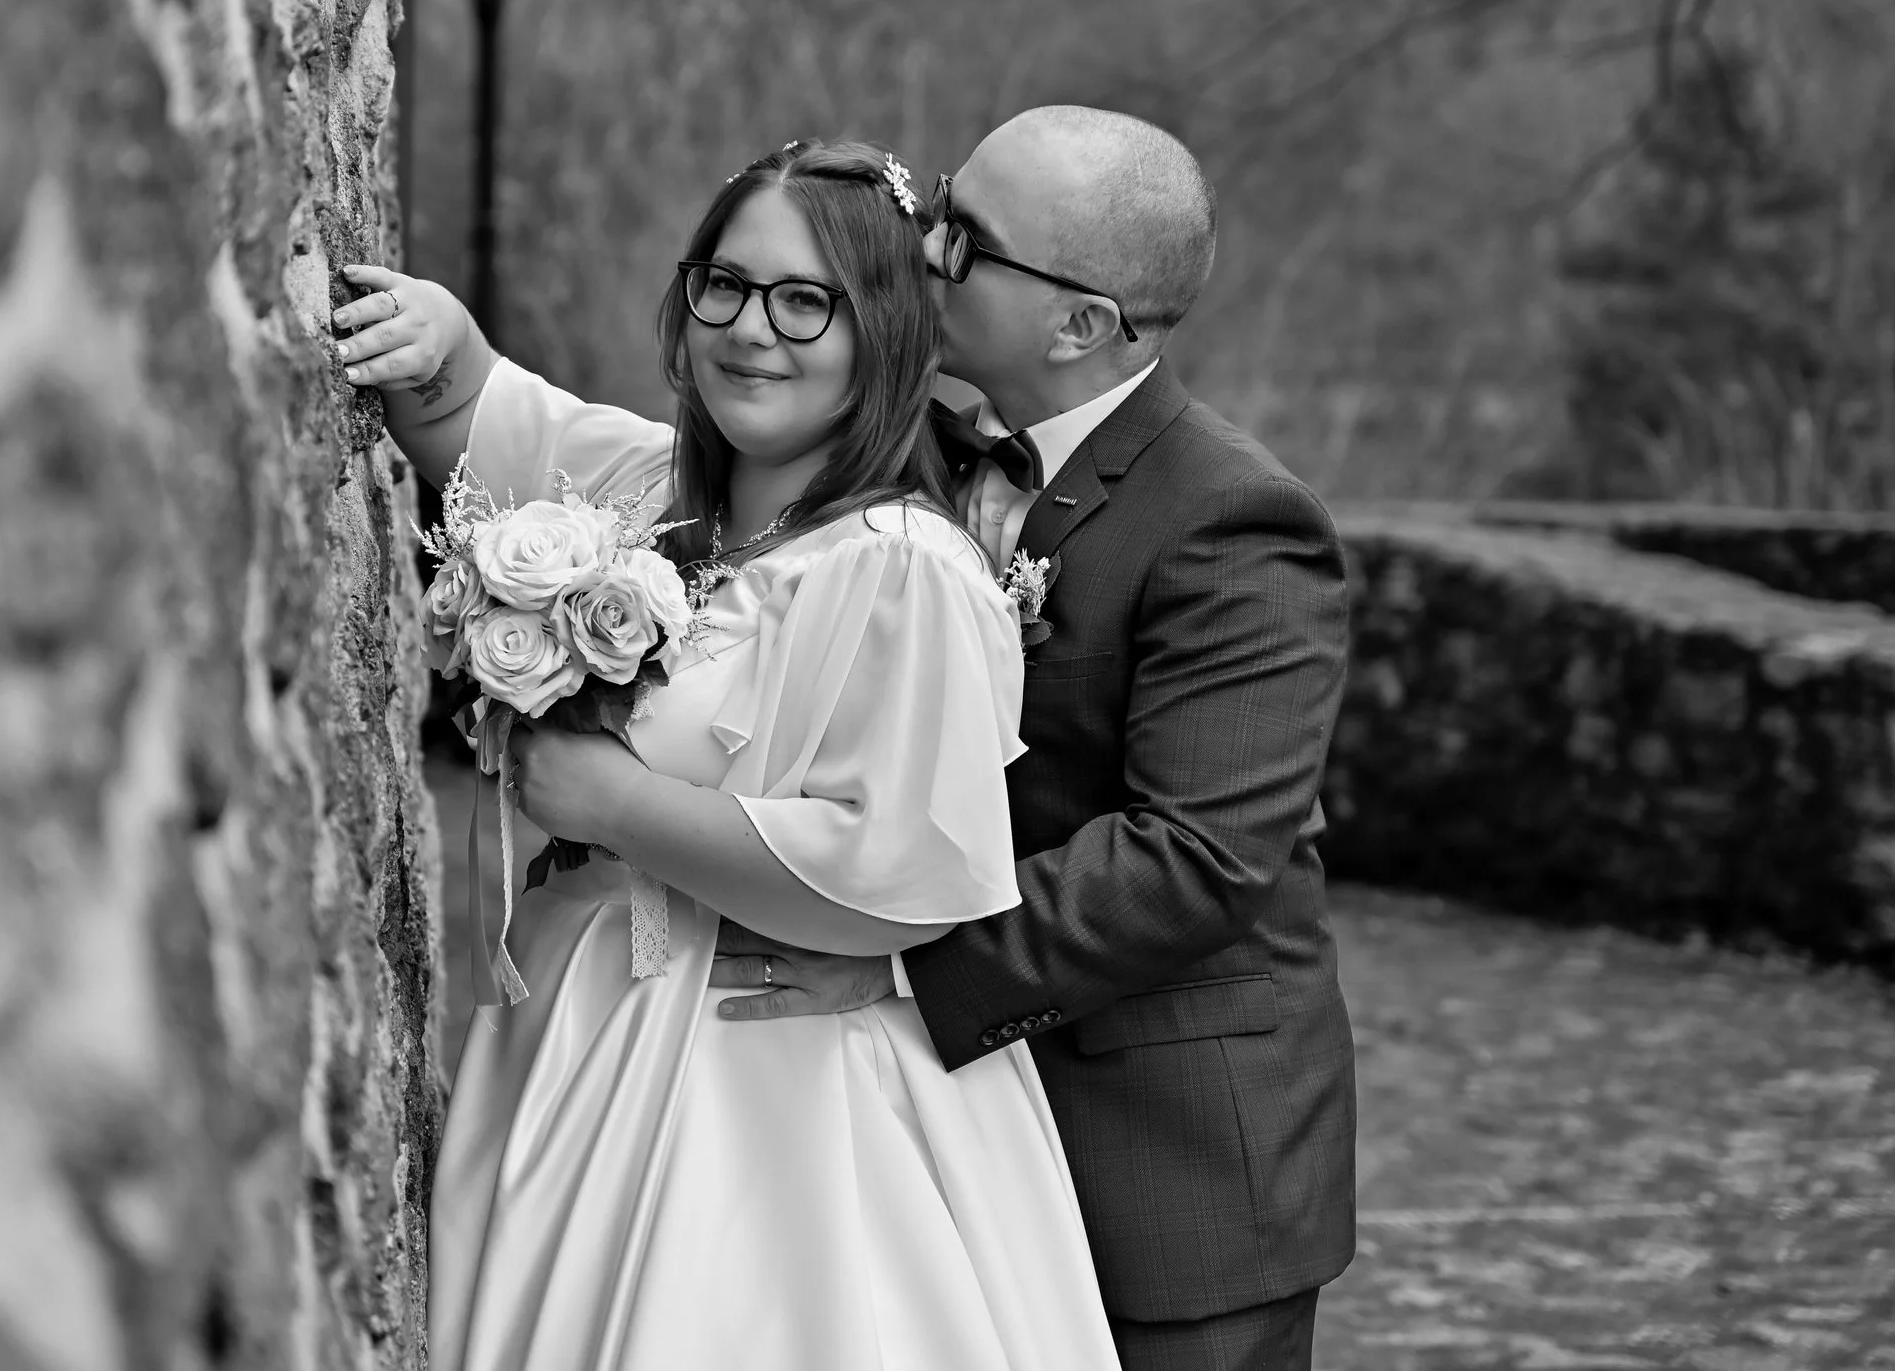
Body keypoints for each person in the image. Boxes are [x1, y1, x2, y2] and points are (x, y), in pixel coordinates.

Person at [339, 139, 1116, 1370]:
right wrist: (433, 333)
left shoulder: (902, 570)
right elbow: (472, 415)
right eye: (726, 285)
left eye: (807, 301)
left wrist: (617, 803)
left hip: (780, 1093)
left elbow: (902, 872)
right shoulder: (654, 493)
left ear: (887, 332)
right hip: (578, 1040)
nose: (754, 328)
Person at [712, 107, 1358, 1371]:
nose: (922, 248)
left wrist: (892, 959)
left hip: (1164, 1153)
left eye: (964, 237)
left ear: (1081, 325)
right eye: (939, 202)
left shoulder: (1237, 521)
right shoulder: (905, 453)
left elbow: (1196, 856)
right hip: (930, 1138)